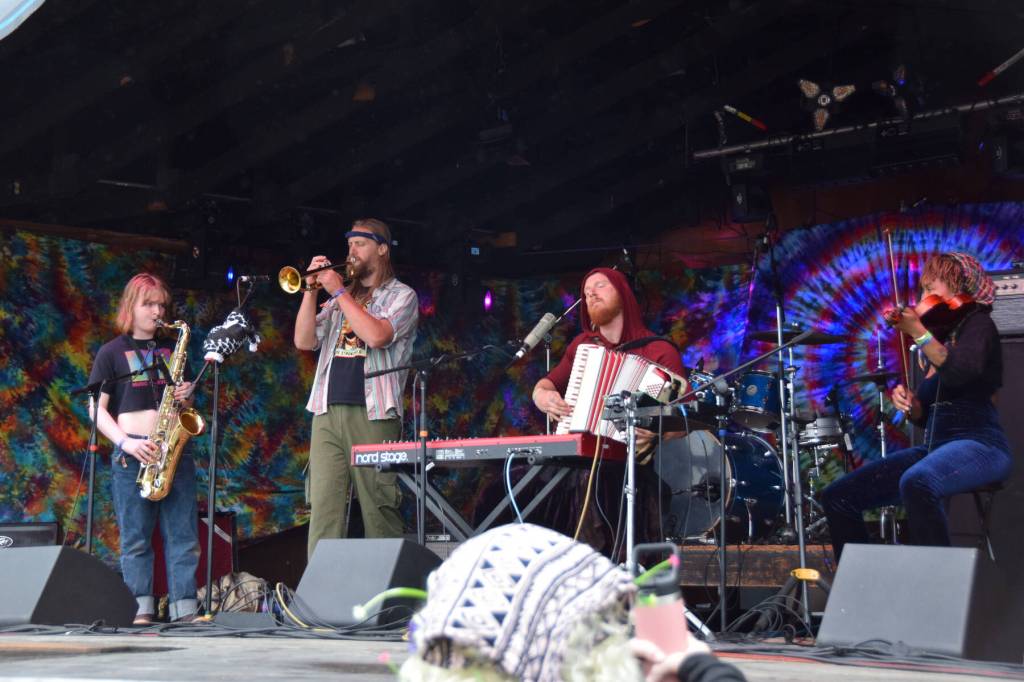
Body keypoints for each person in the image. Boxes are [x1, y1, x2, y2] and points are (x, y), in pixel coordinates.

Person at [821, 252, 1012, 561]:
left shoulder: (979, 326)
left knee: (917, 481)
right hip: (937, 448)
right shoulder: (941, 340)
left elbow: (963, 371)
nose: (924, 298)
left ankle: (937, 588)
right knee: (838, 497)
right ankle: (864, 591)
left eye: (930, 287)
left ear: (956, 284)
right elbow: (928, 416)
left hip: (982, 444)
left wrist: (918, 332)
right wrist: (913, 407)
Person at [531, 267, 687, 550]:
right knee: (520, 482)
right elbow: (546, 384)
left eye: (600, 286)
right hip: (579, 460)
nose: (591, 294)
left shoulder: (660, 351)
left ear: (623, 294)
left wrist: (656, 432)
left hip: (631, 466)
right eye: (586, 292)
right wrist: (542, 396)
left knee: (592, 482)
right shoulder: (582, 347)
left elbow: (685, 420)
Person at [294, 218, 419, 559]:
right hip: (326, 412)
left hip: (374, 413)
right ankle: (319, 603)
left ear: (382, 249)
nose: (351, 251)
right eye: (349, 244)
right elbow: (304, 340)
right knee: (324, 509)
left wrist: (337, 291)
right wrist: (310, 291)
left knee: (379, 507)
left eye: (360, 244)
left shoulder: (402, 296)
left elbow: (378, 335)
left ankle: (388, 602)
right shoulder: (340, 299)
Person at [87, 273, 198, 624]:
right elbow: (95, 408)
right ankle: (141, 611)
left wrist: (186, 395)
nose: (156, 311)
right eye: (148, 304)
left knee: (183, 536)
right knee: (135, 539)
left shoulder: (171, 349)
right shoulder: (111, 352)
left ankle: (185, 610)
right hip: (131, 453)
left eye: (161, 304)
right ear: (130, 307)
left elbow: (188, 403)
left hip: (173, 451)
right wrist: (124, 443)